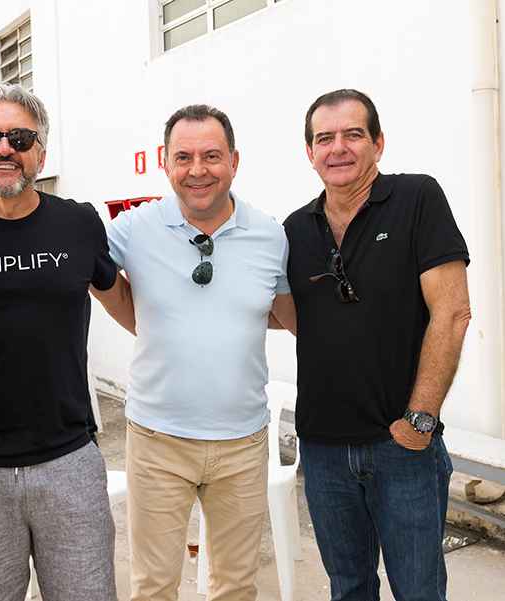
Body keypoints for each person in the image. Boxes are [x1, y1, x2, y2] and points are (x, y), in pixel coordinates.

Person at [0, 83, 133, 601]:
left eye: (20, 138)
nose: (4, 148)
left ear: (41, 153)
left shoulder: (78, 223)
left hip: (68, 461)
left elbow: (126, 304)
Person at [281, 88, 471, 601]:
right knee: (348, 589)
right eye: (325, 138)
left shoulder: (417, 199)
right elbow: (297, 318)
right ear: (310, 152)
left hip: (402, 448)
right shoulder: (296, 229)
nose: (338, 148)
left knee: (419, 591)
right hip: (322, 450)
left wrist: (419, 422)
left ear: (378, 143)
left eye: (353, 134)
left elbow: (453, 313)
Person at [105, 104, 295, 601]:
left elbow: (287, 314)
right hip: (157, 440)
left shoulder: (270, 235)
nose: (198, 170)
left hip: (243, 444)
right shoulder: (134, 228)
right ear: (164, 162)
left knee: (236, 587)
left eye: (211, 156)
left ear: (234, 161)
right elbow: (69, 252)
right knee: (153, 588)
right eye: (183, 157)